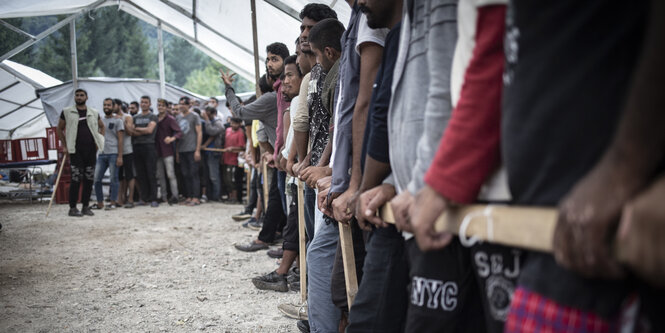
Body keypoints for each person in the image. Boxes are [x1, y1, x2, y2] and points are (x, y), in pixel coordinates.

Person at [56, 88, 105, 217]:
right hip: (75, 150)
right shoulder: (67, 112)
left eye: (81, 95)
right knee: (76, 179)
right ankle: (72, 208)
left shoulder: (93, 112)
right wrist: (65, 146)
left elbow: (102, 126)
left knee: (89, 179)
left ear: (86, 97)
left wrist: (99, 141)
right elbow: (59, 128)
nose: (79, 97)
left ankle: (85, 207)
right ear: (74, 97)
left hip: (90, 150)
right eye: (77, 95)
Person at [92, 98, 124, 210]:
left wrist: (120, 156)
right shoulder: (99, 120)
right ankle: (100, 203)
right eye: (105, 105)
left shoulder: (118, 121)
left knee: (113, 178)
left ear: (113, 106)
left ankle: (113, 202)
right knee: (96, 179)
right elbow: (97, 137)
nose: (106, 107)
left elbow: (121, 139)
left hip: (113, 153)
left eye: (109, 105)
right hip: (101, 154)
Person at [133, 96, 159, 207]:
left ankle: (153, 198)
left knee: (151, 173)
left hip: (149, 146)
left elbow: (150, 130)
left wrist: (137, 129)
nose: (143, 104)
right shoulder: (135, 117)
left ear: (150, 104)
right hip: (137, 146)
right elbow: (131, 131)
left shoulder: (153, 116)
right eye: (142, 102)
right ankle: (143, 198)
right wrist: (142, 130)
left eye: (146, 102)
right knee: (141, 174)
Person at [176, 96, 203, 206]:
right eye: (180, 103)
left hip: (192, 149)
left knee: (194, 173)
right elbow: (177, 135)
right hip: (182, 149)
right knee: (185, 174)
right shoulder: (177, 118)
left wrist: (197, 150)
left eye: (184, 104)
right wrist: (177, 151)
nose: (181, 105)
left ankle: (196, 197)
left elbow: (199, 133)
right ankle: (189, 196)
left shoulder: (194, 116)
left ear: (189, 105)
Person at [155, 98, 182, 205]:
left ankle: (175, 196)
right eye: (159, 105)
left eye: (162, 105)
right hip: (157, 151)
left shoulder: (170, 119)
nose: (160, 107)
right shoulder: (155, 118)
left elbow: (179, 132)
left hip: (168, 151)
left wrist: (172, 138)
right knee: (160, 175)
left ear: (166, 107)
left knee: (171, 174)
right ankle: (163, 196)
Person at [115, 99, 136, 208]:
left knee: (129, 175)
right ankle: (120, 198)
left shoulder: (127, 117)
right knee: (119, 176)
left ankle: (130, 198)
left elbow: (130, 132)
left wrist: (122, 121)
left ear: (118, 106)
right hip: (116, 151)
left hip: (127, 150)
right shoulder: (110, 118)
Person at [201, 106, 225, 202]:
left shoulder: (218, 123)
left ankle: (216, 196)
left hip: (214, 151)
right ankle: (210, 195)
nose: (206, 116)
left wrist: (206, 120)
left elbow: (211, 132)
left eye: (208, 114)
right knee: (208, 175)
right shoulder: (209, 122)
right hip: (207, 152)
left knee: (214, 176)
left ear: (213, 113)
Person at [223, 117, 247, 203]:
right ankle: (230, 196)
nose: (232, 125)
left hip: (234, 160)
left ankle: (235, 197)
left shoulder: (240, 133)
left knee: (233, 179)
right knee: (226, 179)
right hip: (226, 157)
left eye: (234, 123)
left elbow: (242, 147)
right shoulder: (228, 130)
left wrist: (232, 148)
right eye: (232, 123)